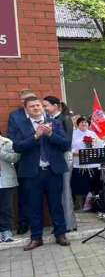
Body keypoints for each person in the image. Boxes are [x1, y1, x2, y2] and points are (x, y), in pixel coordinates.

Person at [10, 96, 70, 250]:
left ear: (42, 107)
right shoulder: (20, 125)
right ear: (26, 109)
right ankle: (36, 238)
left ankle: (60, 234)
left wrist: (50, 135)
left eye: (38, 105)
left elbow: (65, 145)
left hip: (53, 171)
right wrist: (36, 136)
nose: (36, 108)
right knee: (33, 206)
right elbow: (17, 147)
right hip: (32, 173)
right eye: (32, 106)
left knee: (56, 205)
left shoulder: (55, 123)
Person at [43, 96, 76, 231]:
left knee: (65, 190)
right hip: (53, 159)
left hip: (64, 157)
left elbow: (67, 142)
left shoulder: (65, 119)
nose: (44, 108)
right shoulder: (48, 120)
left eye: (46, 105)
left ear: (55, 106)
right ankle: (63, 223)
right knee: (58, 191)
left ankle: (69, 224)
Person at [7, 89, 37, 235]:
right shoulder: (15, 116)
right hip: (24, 159)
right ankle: (24, 222)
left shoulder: (42, 114)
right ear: (22, 102)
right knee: (24, 194)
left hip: (42, 160)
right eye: (26, 99)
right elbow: (13, 138)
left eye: (32, 98)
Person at [71, 117, 104, 211]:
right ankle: (79, 205)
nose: (84, 124)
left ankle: (92, 204)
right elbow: (69, 148)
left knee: (93, 185)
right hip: (79, 164)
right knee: (79, 186)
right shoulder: (73, 134)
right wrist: (78, 153)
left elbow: (99, 146)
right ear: (77, 124)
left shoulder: (92, 133)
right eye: (82, 122)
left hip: (92, 164)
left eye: (86, 122)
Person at [0, 129, 20, 242]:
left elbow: (16, 157)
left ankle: (6, 230)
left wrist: (1, 153)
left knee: (6, 207)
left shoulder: (7, 142)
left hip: (5, 181)